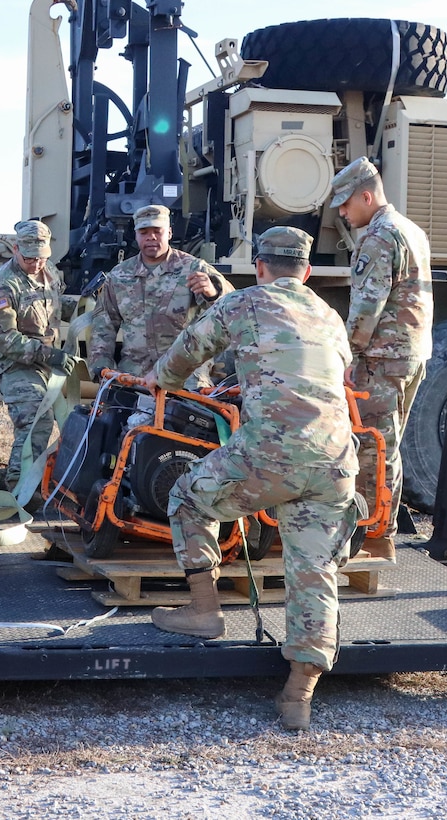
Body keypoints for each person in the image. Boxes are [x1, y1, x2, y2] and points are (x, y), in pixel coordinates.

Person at [143, 227, 362, 731]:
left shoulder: (242, 303)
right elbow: (335, 374)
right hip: (335, 461)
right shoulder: (328, 315)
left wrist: (161, 377)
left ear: (259, 267)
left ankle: (204, 612)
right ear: (306, 273)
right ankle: (297, 696)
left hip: (270, 456)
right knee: (314, 572)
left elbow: (183, 356)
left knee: (186, 497)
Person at [329, 156, 433, 560]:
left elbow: (366, 310)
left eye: (345, 203)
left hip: (381, 359)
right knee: (390, 446)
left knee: (373, 449)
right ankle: (382, 531)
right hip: (411, 354)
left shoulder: (378, 237)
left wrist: (345, 358)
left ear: (366, 196)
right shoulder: (411, 230)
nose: (341, 212)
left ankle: (373, 535)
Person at [87, 204, 233, 383]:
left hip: (184, 376)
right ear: (136, 235)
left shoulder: (194, 268)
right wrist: (101, 368)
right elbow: (104, 324)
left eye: (158, 231)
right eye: (144, 232)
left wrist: (213, 292)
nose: (151, 237)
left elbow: (231, 307)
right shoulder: (119, 276)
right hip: (135, 378)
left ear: (169, 233)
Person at [0, 220, 76, 491]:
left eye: (42, 258)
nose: (36, 264)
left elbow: (54, 305)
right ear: (15, 249)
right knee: (36, 418)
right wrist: (50, 356)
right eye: (30, 258)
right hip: (13, 363)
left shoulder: (50, 272)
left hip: (45, 359)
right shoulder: (2, 286)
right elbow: (5, 341)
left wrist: (82, 305)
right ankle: (19, 487)